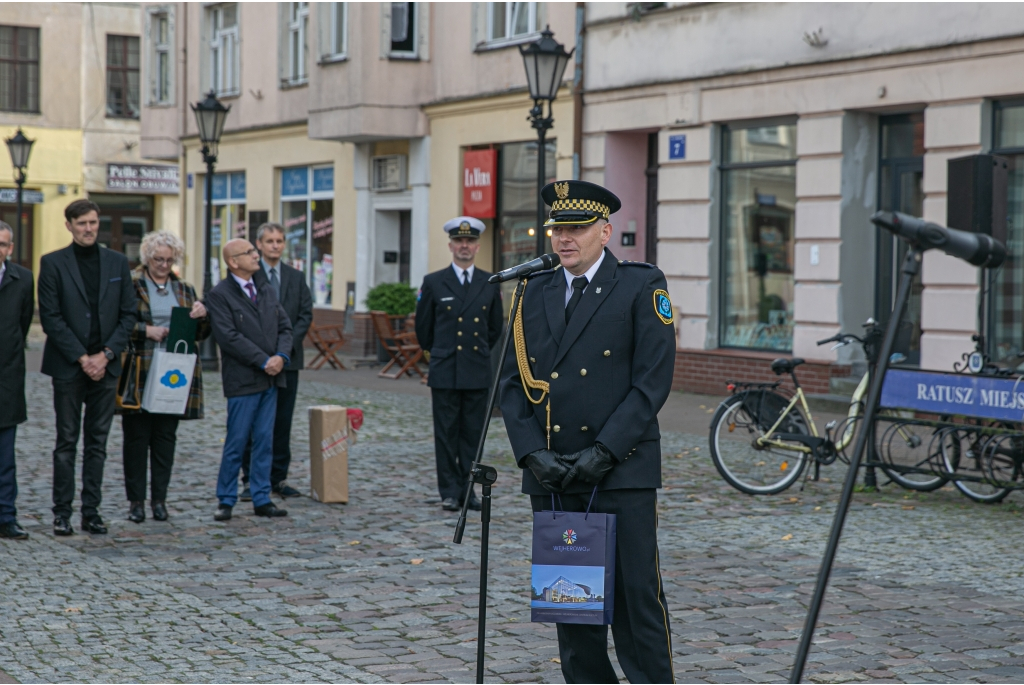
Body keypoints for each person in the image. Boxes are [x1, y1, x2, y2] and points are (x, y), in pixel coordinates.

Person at [499, 180, 677, 684]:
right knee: (572, 607)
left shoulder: (641, 285)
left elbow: (651, 381)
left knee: (635, 601)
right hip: (555, 474)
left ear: (606, 230)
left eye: (576, 228)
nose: (563, 238)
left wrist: (605, 451)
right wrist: (533, 454)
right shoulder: (533, 289)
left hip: (621, 470)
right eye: (557, 228)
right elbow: (511, 384)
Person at [38, 199, 137, 536]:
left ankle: (91, 512)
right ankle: (62, 513)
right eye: (82, 223)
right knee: (66, 442)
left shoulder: (117, 262)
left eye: (93, 222)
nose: (89, 228)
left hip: (106, 367)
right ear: (69, 225)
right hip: (68, 366)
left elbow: (128, 315)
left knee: (98, 443)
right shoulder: (52, 263)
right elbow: (50, 317)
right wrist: (83, 358)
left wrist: (106, 354)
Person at [117, 231, 211, 524]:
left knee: (165, 438)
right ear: (147, 257)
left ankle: (160, 500)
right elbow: (116, 322)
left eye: (169, 260)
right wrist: (146, 330)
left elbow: (201, 334)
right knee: (136, 438)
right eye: (158, 259)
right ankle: (136, 502)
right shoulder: (131, 284)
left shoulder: (184, 288)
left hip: (174, 372)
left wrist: (202, 315)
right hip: (139, 368)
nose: (163, 264)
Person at [415, 217, 503, 512]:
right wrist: (439, 353)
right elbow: (423, 330)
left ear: (478, 246)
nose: (464, 246)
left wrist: (474, 353)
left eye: (470, 241)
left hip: (476, 370)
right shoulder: (434, 282)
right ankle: (449, 492)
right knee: (446, 434)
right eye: (459, 241)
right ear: (451, 245)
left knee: (472, 435)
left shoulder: (489, 283)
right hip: (445, 370)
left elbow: (494, 330)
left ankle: (469, 491)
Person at [205, 238, 293, 521]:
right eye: (250, 252)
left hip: (271, 379)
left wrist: (281, 356)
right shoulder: (220, 294)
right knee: (238, 440)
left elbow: (285, 327)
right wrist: (263, 360)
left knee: (265, 440)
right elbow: (229, 337)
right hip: (243, 380)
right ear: (233, 262)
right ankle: (226, 499)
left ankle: (261, 497)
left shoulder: (265, 289)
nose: (257, 255)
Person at [239, 222, 313, 501]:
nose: (275, 245)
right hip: (256, 362)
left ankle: (277, 478)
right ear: (258, 244)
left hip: (288, 361)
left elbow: (305, 314)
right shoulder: (248, 276)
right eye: (269, 241)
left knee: (282, 421)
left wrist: (284, 351)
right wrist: (264, 353)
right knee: (253, 422)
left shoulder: (295, 276)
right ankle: (250, 479)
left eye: (279, 241)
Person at [0, 222, 33, 539]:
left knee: (5, 455)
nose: (0, 249)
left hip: (6, 377)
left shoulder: (22, 279)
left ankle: (6, 515)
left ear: (10, 248)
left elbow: (21, 327)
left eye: (3, 244)